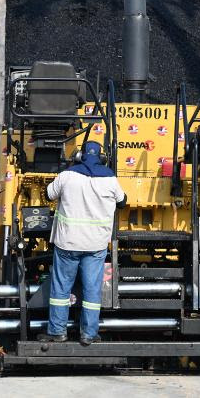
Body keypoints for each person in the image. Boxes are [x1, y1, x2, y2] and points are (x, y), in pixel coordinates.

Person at [38, 141, 126, 346]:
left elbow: (48, 194)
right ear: (102, 158)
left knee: (60, 290)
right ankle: (89, 334)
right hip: (95, 245)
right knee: (92, 290)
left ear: (79, 156)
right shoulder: (110, 179)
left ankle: (57, 331)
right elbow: (122, 202)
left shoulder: (67, 176)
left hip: (68, 243)